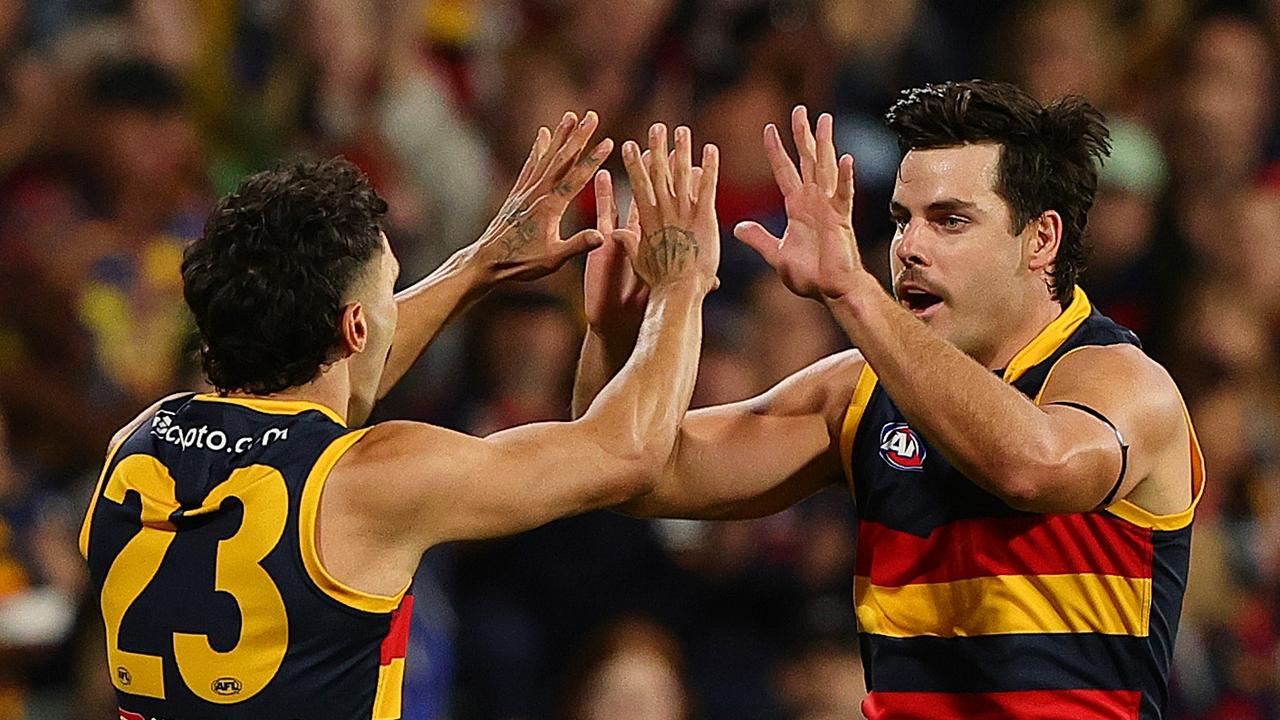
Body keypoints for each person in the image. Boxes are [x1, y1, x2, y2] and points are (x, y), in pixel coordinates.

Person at [576, 80, 1203, 719]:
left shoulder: (1123, 382)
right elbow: (634, 472)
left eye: (949, 220)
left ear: (1040, 239)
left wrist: (852, 291)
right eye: (903, 219)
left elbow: (1034, 466)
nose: (908, 247)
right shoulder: (862, 389)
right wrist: (621, 332)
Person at [79, 112, 722, 719]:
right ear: (356, 325)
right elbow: (626, 452)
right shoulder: (373, 480)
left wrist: (479, 264)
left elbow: (323, 374)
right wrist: (680, 285)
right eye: (390, 289)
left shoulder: (134, 446)